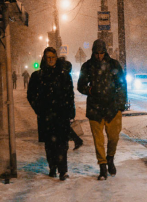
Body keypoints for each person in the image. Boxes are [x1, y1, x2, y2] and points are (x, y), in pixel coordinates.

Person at [78, 39, 127, 180]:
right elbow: (80, 85)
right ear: (93, 52)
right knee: (98, 140)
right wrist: (89, 89)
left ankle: (110, 158)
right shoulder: (87, 66)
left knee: (114, 137)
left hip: (112, 108)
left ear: (105, 52)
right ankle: (102, 166)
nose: (99, 56)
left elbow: (122, 85)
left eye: (101, 53)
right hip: (95, 108)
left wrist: (120, 105)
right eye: (96, 53)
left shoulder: (114, 65)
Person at [28, 47, 75, 181]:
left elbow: (69, 95)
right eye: (48, 57)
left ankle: (63, 170)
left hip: (62, 115)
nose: (50, 60)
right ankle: (53, 167)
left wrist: (71, 112)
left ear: (56, 58)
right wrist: (38, 108)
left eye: (53, 57)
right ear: (44, 58)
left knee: (62, 144)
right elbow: (30, 95)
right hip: (46, 116)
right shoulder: (38, 76)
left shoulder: (64, 75)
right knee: (50, 144)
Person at [58, 57, 84, 150]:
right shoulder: (66, 75)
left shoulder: (63, 75)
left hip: (63, 106)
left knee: (63, 126)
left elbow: (66, 93)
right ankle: (76, 140)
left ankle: (76, 140)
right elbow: (70, 94)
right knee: (64, 126)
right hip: (66, 105)